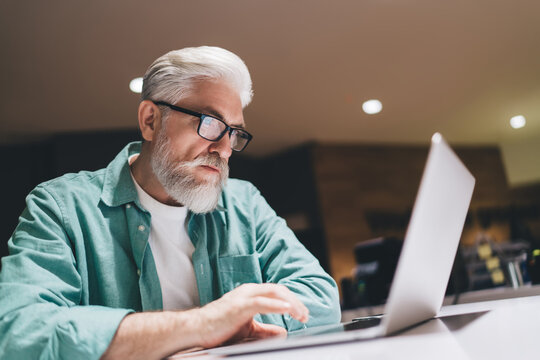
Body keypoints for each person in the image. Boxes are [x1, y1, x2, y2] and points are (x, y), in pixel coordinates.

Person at [0, 46, 341, 360]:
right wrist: (203, 325)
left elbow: (320, 298)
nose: (223, 148)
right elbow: (20, 331)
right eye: (209, 123)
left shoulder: (244, 202)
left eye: (234, 132)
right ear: (150, 120)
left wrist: (232, 325)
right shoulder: (61, 207)